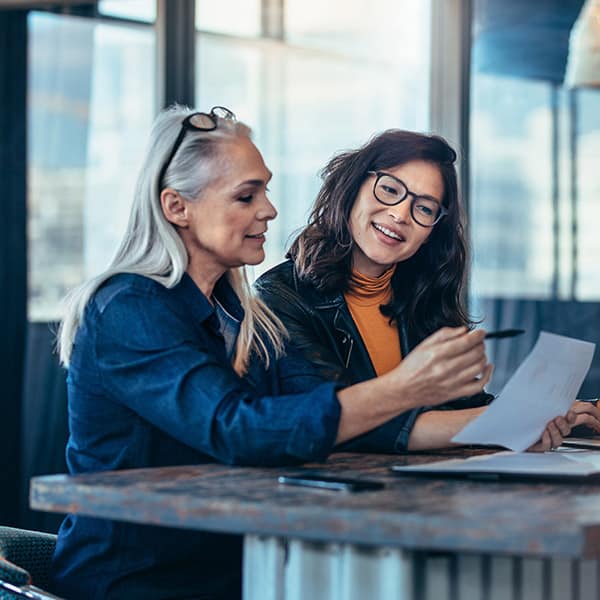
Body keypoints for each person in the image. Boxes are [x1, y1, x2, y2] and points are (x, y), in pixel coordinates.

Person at [50, 106, 507, 599]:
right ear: (177, 207)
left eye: (265, 190)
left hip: (240, 571)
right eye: (247, 196)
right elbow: (238, 429)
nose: (268, 209)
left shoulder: (246, 316)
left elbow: (327, 412)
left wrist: (511, 424)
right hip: (141, 582)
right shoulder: (127, 308)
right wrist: (406, 387)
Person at [255, 129, 599, 453]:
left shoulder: (423, 296)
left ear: (432, 231)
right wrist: (505, 425)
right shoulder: (280, 296)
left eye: (424, 208)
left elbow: (462, 407)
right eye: (390, 190)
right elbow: (338, 421)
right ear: (351, 188)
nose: (401, 214)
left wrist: (551, 418)